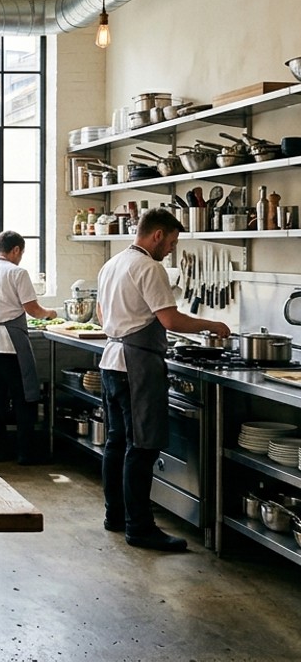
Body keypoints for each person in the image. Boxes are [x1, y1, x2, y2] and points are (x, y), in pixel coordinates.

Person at [95, 208, 229, 552]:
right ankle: (140, 528)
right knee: (142, 447)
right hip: (136, 365)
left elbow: (100, 314)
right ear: (157, 234)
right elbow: (169, 320)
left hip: (111, 360)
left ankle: (116, 515)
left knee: (117, 442)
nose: (171, 248)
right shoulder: (148, 267)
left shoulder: (113, 263)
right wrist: (211, 325)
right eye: (171, 241)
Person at [0, 231, 57, 464]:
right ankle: (25, 453)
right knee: (25, 398)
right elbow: (33, 309)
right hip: (11, 344)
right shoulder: (17, 272)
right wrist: (51, 313)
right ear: (16, 250)